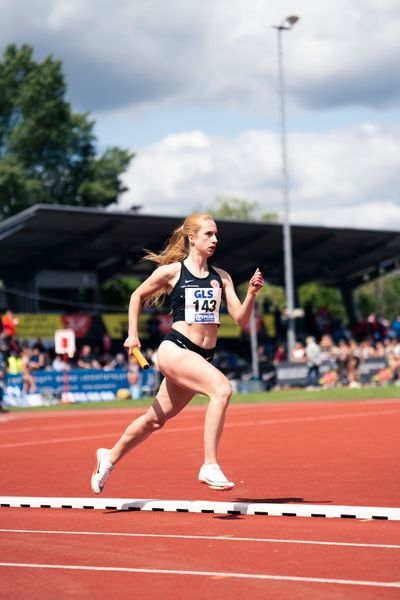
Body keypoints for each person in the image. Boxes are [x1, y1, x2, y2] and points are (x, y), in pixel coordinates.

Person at [91, 213, 263, 494]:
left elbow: (241, 320)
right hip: (176, 349)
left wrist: (252, 294)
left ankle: (107, 458)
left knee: (155, 420)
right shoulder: (172, 272)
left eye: (216, 235)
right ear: (192, 238)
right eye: (209, 234)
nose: (215, 240)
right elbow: (137, 295)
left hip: (201, 357)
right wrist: (132, 334)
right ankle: (209, 464)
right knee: (221, 389)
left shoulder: (221, 277)